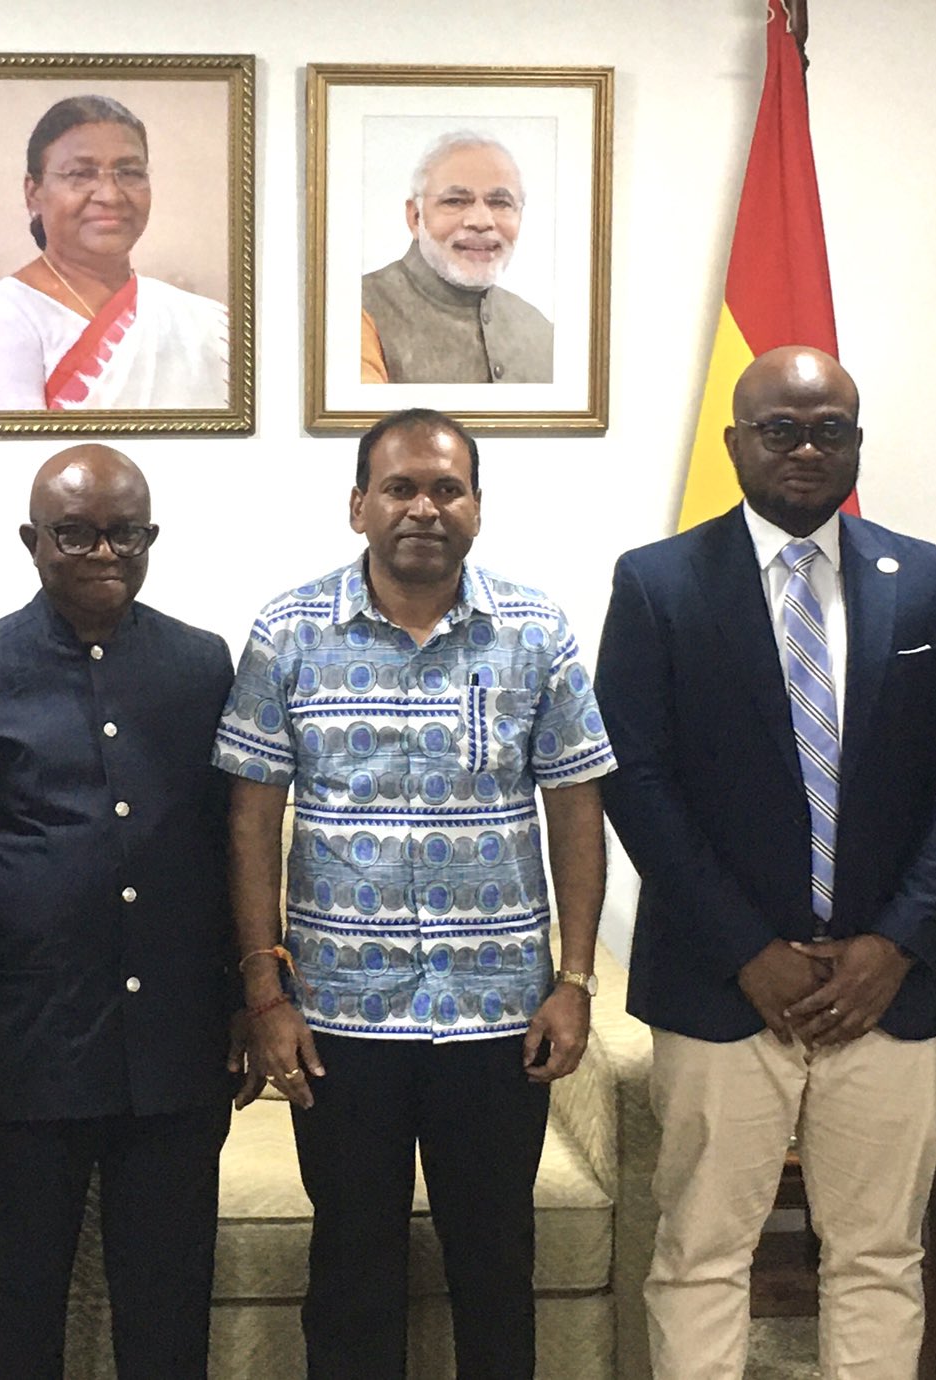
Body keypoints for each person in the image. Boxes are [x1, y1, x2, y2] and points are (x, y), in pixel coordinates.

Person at [594, 346, 936, 1380]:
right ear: (736, 442)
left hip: (888, 988)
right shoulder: (656, 583)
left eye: (830, 431)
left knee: (879, 1255)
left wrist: (894, 944)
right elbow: (636, 780)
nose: (807, 450)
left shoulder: (928, 581)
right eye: (781, 430)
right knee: (700, 1253)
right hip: (721, 985)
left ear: (857, 445)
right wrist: (749, 950)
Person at [217, 408, 612, 1379]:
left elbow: (574, 806)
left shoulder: (535, 630)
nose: (423, 508)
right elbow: (250, 821)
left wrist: (573, 981)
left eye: (446, 489)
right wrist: (264, 994)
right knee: (350, 1268)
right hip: (341, 1017)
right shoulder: (287, 632)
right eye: (399, 488)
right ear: (358, 505)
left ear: (477, 506)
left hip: (498, 1015)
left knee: (494, 1262)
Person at [0, 445, 247, 1379]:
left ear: (150, 538)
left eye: (126, 533)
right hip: (26, 1048)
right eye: (76, 534)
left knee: (168, 1309)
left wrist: (242, 999)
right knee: (24, 1308)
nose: (105, 552)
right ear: (32, 541)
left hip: (174, 1046)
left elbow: (228, 846)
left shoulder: (201, 666)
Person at [0, 95, 230, 411]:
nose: (110, 196)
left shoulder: (205, 322)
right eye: (81, 174)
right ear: (34, 193)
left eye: (130, 173)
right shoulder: (9, 313)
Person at [360, 131, 553, 385]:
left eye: (500, 203)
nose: (481, 221)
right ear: (415, 217)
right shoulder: (358, 310)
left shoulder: (541, 331)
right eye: (455, 201)